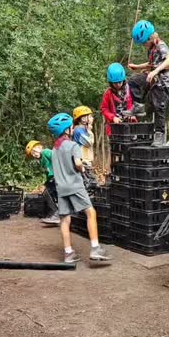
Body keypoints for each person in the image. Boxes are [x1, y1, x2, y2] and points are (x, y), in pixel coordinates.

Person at [48, 113, 111, 265]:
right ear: (67, 130)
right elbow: (77, 163)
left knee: (65, 219)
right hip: (75, 185)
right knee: (90, 212)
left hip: (61, 187)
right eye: (71, 127)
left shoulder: (54, 149)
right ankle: (95, 248)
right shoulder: (73, 146)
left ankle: (68, 253)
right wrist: (82, 168)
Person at [128, 20, 169, 146]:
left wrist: (155, 72)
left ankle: (160, 135)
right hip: (153, 77)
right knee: (133, 81)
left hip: (163, 81)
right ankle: (139, 106)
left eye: (145, 42)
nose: (144, 45)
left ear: (151, 37)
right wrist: (137, 67)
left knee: (158, 106)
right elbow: (151, 64)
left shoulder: (161, 45)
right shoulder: (151, 48)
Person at [25, 139, 60, 226]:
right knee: (46, 192)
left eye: (34, 151)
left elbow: (58, 159)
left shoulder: (46, 152)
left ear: (39, 147)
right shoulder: (42, 160)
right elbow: (48, 172)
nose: (34, 155)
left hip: (57, 177)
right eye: (32, 154)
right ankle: (55, 212)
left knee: (48, 192)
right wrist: (44, 184)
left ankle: (56, 213)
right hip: (51, 179)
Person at [100, 63, 136, 137]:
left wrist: (132, 114)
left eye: (120, 82)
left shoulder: (129, 89)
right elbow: (104, 109)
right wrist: (112, 117)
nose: (118, 84)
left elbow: (133, 104)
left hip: (129, 124)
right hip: (114, 127)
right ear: (111, 82)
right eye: (115, 83)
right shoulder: (108, 93)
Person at [72, 105, 96, 185]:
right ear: (82, 118)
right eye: (89, 116)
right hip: (83, 161)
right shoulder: (78, 130)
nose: (91, 118)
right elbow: (89, 143)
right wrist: (89, 131)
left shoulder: (83, 129)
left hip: (86, 160)